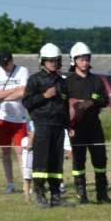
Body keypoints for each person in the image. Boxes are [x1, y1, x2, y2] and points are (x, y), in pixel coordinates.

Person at [22, 43, 72, 208]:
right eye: (50, 60)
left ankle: (56, 196)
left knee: (56, 162)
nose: (53, 63)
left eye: (56, 60)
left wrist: (68, 125)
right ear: (43, 61)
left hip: (58, 126)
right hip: (42, 125)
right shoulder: (35, 80)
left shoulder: (62, 82)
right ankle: (40, 194)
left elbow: (64, 107)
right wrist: (44, 95)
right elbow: (27, 102)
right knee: (41, 162)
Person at [65, 42, 111, 203]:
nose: (85, 62)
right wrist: (68, 125)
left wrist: (91, 101)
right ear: (74, 60)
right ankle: (81, 195)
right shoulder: (67, 81)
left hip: (94, 126)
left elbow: (104, 99)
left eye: (87, 59)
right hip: (76, 129)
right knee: (78, 160)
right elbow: (63, 106)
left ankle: (102, 194)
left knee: (100, 160)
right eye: (81, 59)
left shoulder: (96, 80)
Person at [0, 51, 29, 194]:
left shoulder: (23, 71)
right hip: (2, 118)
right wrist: (13, 91)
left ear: (12, 61)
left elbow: (23, 92)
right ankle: (10, 183)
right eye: (2, 64)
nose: (5, 67)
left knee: (21, 151)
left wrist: (3, 96)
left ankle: (26, 183)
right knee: (5, 152)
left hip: (20, 119)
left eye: (7, 64)